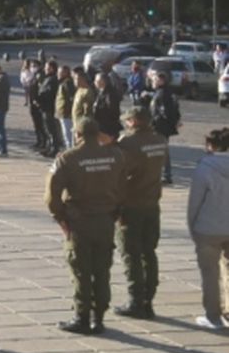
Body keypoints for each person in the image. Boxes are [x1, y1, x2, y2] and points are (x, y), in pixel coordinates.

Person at [45, 117, 125, 334]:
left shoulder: (68, 158)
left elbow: (51, 196)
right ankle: (98, 317)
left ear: (77, 135)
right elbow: (123, 186)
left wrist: (61, 218)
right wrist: (115, 212)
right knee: (101, 270)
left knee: (81, 271)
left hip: (79, 222)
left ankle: (82, 317)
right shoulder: (115, 156)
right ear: (98, 134)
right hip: (106, 220)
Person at [114, 105, 167, 320]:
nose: (126, 123)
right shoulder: (160, 141)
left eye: (128, 120)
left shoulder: (128, 143)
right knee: (149, 252)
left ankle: (136, 301)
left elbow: (120, 173)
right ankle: (148, 300)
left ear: (134, 121)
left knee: (131, 254)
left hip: (131, 204)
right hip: (152, 203)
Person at [188, 127, 229, 329]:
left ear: (211, 146)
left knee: (210, 272)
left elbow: (195, 201)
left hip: (208, 229)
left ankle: (212, 316)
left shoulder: (205, 167)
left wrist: (192, 226)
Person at [148, 70, 181, 186]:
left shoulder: (163, 94)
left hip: (160, 128)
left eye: (154, 79)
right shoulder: (162, 92)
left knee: (161, 151)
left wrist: (154, 122)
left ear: (161, 81)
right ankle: (165, 174)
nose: (152, 81)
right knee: (161, 150)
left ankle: (166, 175)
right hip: (161, 127)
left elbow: (165, 112)